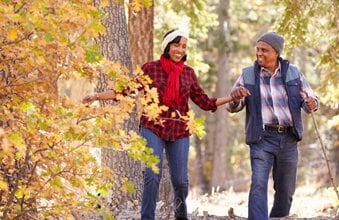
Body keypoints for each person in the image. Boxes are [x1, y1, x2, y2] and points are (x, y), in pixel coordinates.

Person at [82, 29, 246, 220]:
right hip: (152, 127)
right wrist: (96, 96)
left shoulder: (188, 74)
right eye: (176, 45)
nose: (180, 49)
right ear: (167, 46)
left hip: (179, 130)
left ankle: (181, 215)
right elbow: (126, 89)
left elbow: (205, 102)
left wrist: (231, 97)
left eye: (184, 46)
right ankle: (147, 217)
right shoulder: (150, 69)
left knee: (181, 181)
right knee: (152, 175)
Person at [227, 32, 319, 220]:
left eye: (264, 50)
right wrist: (235, 97)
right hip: (261, 138)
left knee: (285, 189)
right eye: (258, 49)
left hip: (288, 138)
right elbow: (232, 106)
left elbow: (311, 98)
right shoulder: (247, 75)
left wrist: (312, 103)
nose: (259, 53)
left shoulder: (293, 72)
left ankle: (278, 217)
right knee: (259, 184)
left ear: (276, 52)